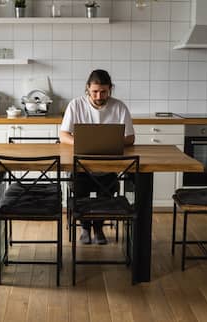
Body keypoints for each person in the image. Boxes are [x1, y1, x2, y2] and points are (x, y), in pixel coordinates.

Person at [59, 69, 135, 245]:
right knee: (79, 190)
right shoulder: (75, 105)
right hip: (81, 169)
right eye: (95, 91)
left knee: (106, 193)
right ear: (87, 88)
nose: (99, 95)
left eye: (103, 92)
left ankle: (98, 228)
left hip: (108, 168)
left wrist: (111, 143)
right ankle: (85, 227)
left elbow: (130, 138)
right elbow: (63, 135)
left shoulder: (119, 107)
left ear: (110, 89)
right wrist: (82, 143)